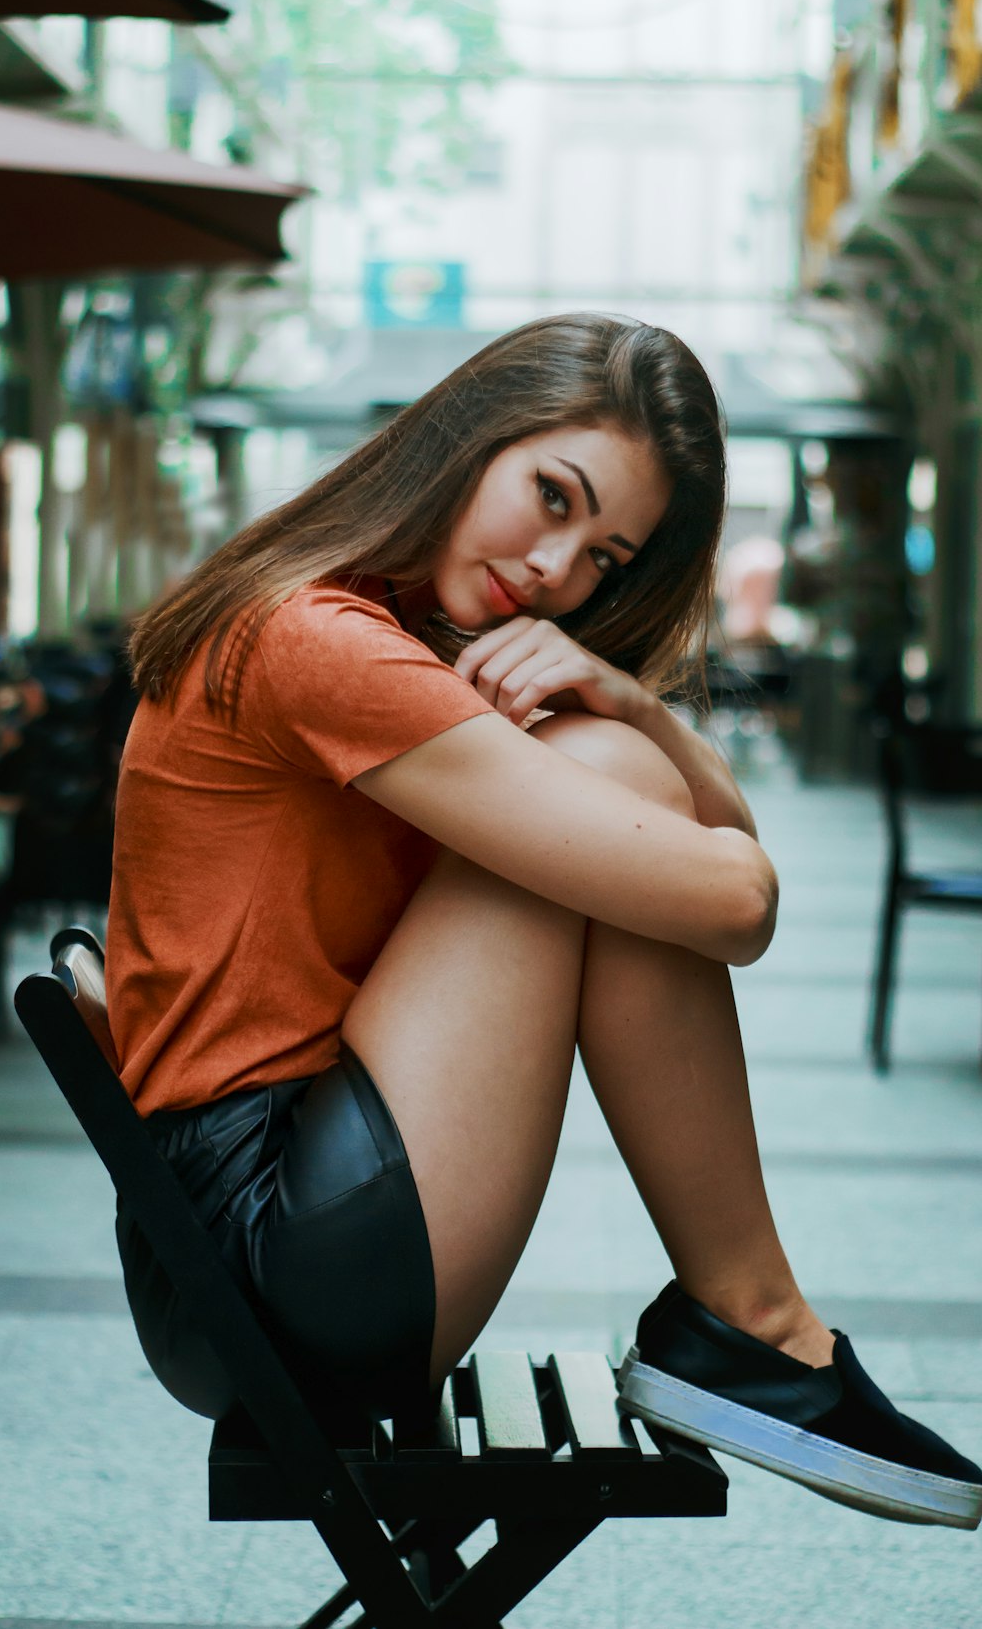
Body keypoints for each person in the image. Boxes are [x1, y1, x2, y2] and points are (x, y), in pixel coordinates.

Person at [106, 313, 981, 1531]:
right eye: (550, 495)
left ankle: (750, 1319)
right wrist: (635, 750)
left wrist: (631, 697)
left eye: (605, 557)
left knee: (614, 768)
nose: (558, 571)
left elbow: (715, 842)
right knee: (609, 786)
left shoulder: (380, 629)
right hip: (274, 1265)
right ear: (465, 439)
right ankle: (753, 1322)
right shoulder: (320, 641)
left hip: (256, 1259)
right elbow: (740, 898)